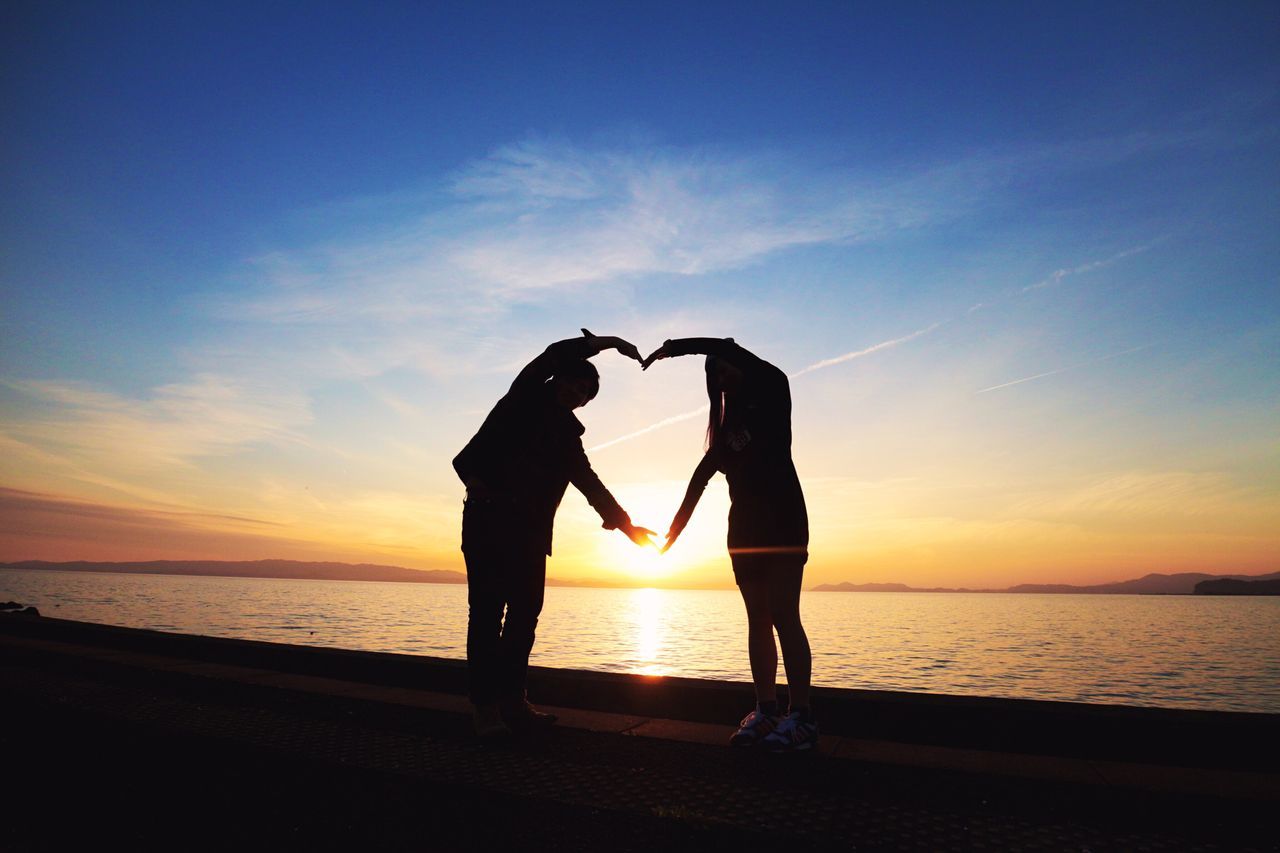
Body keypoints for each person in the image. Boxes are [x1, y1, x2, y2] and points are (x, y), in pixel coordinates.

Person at [453, 330, 657, 738]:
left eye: (586, 392)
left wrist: (625, 524)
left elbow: (589, 482)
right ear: (558, 379)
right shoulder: (523, 398)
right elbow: (548, 357)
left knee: (525, 618)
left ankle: (513, 701)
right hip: (489, 524)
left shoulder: (568, 437)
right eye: (574, 383)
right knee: (487, 616)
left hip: (529, 534)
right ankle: (485, 708)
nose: (577, 393)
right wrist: (607, 343)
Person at [644, 337, 817, 751]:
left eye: (726, 366)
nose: (722, 377)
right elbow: (698, 480)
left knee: (784, 616)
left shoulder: (774, 392)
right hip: (743, 535)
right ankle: (766, 709)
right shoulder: (724, 435)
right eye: (714, 373)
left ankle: (802, 718)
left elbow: (732, 350)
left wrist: (675, 348)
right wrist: (673, 531)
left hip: (784, 528)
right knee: (757, 619)